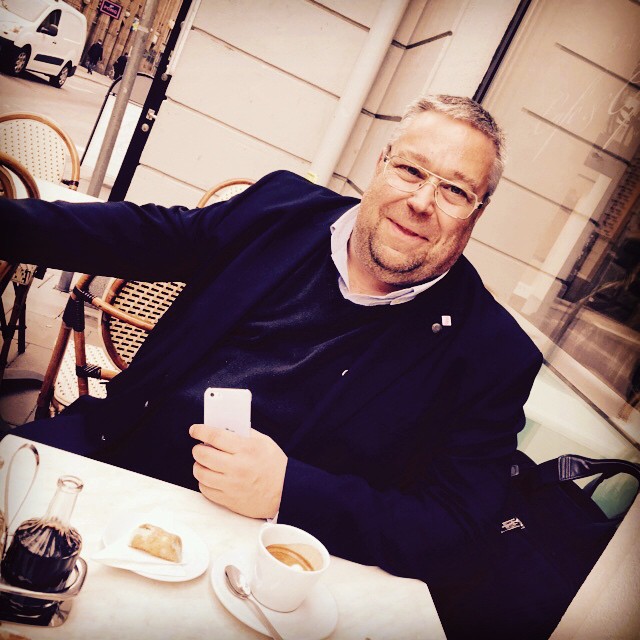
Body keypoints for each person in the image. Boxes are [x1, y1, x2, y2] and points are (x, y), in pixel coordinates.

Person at [1, 95, 541, 601]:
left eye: (454, 191)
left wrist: (290, 491)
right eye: (411, 170)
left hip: (251, 563)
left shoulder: (490, 353)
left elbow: (456, 530)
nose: (422, 201)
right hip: (106, 457)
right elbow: (143, 234)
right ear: (382, 162)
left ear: (477, 210)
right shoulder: (280, 210)